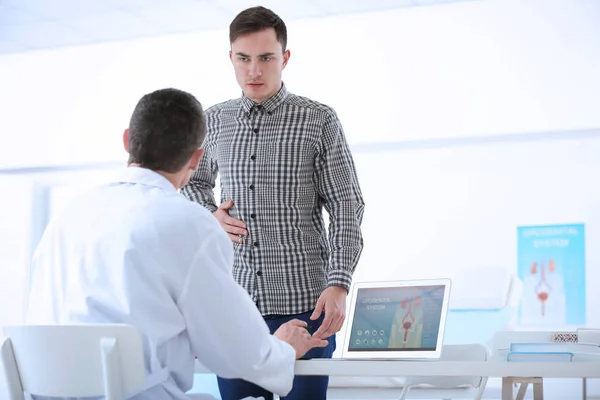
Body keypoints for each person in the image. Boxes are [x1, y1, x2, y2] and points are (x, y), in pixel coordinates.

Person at [24, 88, 328, 400]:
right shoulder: (189, 223)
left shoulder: (68, 216)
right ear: (197, 158)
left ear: (128, 140)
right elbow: (237, 352)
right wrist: (284, 348)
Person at [181, 6, 365, 400]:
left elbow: (348, 207)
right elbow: (190, 183)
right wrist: (210, 214)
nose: (254, 71)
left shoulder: (318, 120)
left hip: (305, 307)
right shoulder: (213, 121)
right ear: (231, 58)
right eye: (244, 59)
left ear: (284, 57)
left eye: (265, 58)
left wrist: (339, 284)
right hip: (236, 309)